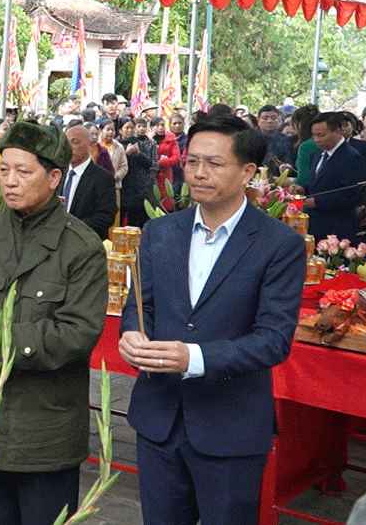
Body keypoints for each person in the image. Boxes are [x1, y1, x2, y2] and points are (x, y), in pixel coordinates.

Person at [118, 114, 305, 525]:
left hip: (230, 427)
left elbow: (273, 339)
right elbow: (140, 304)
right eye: (191, 162)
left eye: (214, 164)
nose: (198, 173)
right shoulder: (160, 231)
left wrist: (194, 358)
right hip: (159, 418)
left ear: (248, 172)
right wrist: (131, 333)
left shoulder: (279, 244)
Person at [0, 120, 107, 525]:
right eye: (3, 170)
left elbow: (76, 333)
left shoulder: (80, 247)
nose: (9, 182)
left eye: (23, 172)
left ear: (53, 178)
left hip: (44, 431)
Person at [300, 112, 366, 243]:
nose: (317, 139)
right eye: (314, 135)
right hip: (316, 223)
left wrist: (317, 201)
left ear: (337, 132)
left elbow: (352, 194)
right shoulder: (321, 151)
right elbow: (317, 181)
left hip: (337, 226)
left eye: (321, 135)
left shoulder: (351, 157)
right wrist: (302, 188)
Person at [63, 126, 117, 240]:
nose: (69, 147)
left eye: (75, 142)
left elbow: (106, 217)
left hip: (86, 243)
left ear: (91, 145)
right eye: (66, 143)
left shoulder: (103, 177)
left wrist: (70, 226)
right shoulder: (59, 173)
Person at [118, 118, 157, 228]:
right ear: (120, 130)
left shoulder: (139, 144)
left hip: (137, 188)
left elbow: (149, 163)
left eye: (132, 128)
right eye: (127, 128)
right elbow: (115, 165)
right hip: (122, 187)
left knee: (136, 223)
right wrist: (126, 154)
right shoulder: (117, 144)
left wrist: (139, 153)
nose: (130, 130)